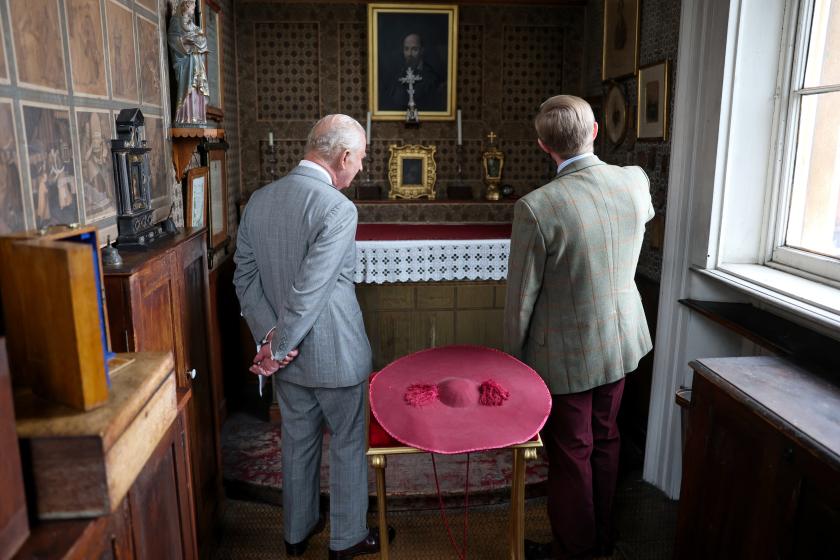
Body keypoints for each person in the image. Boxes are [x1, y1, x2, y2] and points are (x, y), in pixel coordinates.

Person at [233, 114, 394, 559]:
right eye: (360, 159)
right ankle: (346, 540)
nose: (361, 167)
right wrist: (277, 348)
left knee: (297, 441)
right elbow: (311, 288)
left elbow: (243, 277)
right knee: (346, 444)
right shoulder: (339, 208)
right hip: (335, 355)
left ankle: (296, 533)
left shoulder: (259, 201)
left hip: (285, 358)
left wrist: (269, 341)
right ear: (343, 157)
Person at [503, 95, 654, 560]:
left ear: (543, 145)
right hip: (621, 340)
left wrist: (512, 363)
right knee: (607, 438)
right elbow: (637, 220)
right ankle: (602, 540)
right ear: (593, 131)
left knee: (571, 453)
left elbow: (521, 298)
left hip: (564, 353)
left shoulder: (537, 207)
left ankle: (575, 549)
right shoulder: (634, 181)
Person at [380, 32, 446, 112]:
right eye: (406, 49)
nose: (409, 54)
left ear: (422, 51)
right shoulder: (397, 75)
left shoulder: (432, 77)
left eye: (414, 49)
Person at [167, 0, 209, 125]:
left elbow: (202, 39)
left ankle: (196, 116)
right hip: (184, 62)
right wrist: (184, 41)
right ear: (185, 7)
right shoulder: (176, 21)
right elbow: (172, 39)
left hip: (195, 61)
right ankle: (185, 117)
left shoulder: (192, 25)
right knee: (187, 87)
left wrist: (199, 40)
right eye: (192, 8)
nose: (193, 11)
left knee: (196, 88)